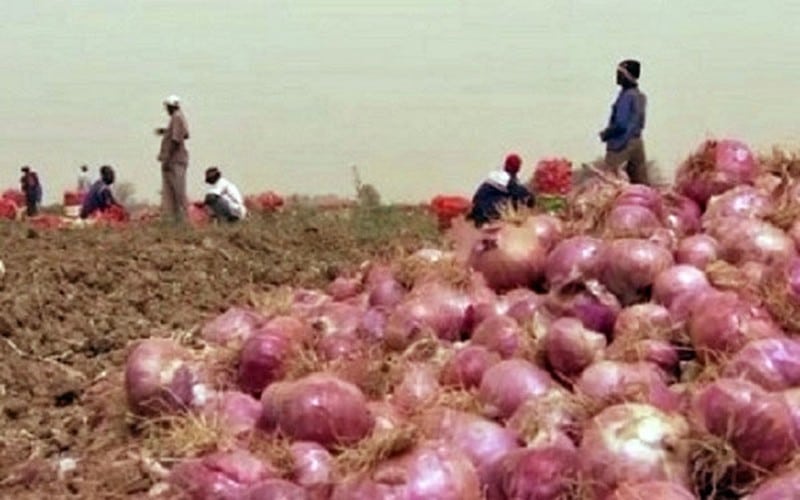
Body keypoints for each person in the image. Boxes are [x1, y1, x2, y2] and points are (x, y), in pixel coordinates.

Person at [599, 59, 648, 184]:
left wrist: (606, 134)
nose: (617, 77)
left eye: (620, 73)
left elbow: (621, 124)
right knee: (641, 182)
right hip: (637, 141)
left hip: (621, 144)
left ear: (627, 76)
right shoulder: (640, 96)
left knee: (610, 181)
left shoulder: (626, 97)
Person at [156, 95, 190, 222]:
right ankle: (176, 219)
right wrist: (166, 131)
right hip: (177, 160)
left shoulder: (176, 117)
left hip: (174, 161)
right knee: (175, 192)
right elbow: (184, 134)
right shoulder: (179, 117)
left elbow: (176, 140)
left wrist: (167, 158)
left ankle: (180, 219)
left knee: (176, 192)